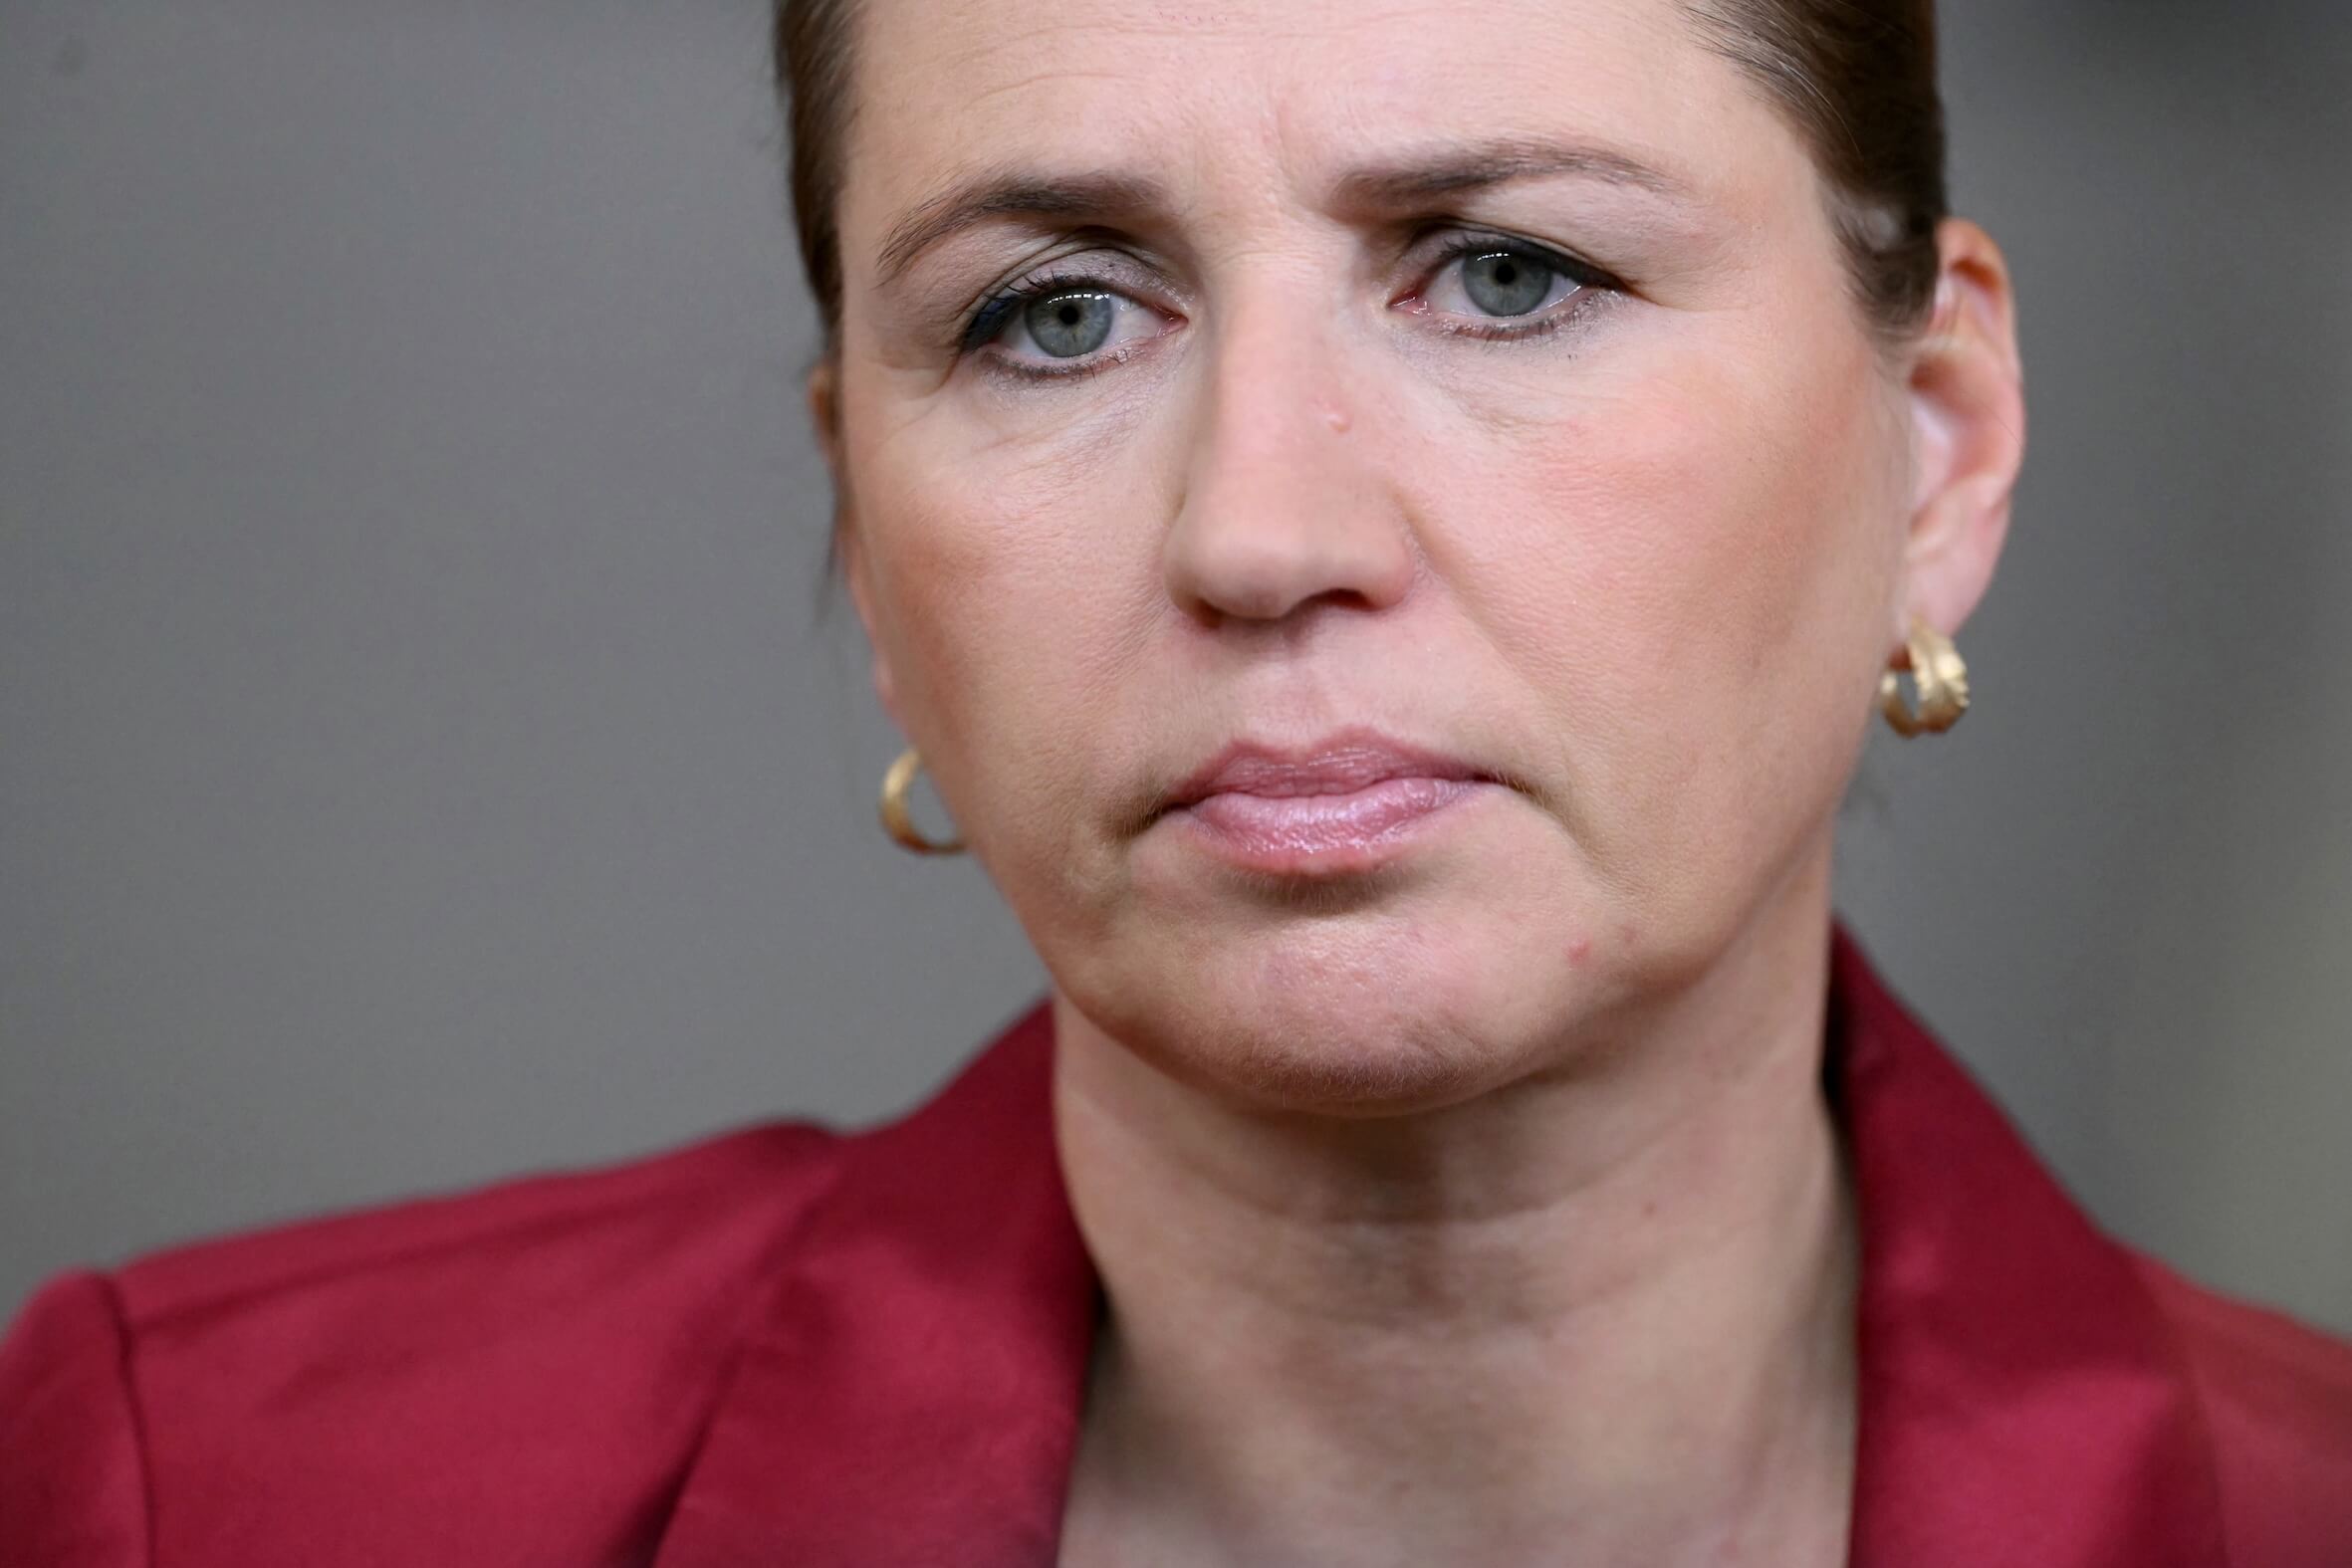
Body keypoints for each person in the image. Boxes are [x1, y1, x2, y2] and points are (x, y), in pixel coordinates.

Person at [5, 0, 2350, 1561]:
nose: (1257, 528)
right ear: (863, 528)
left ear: (1934, 444)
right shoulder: (213, 1493)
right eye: (1054, 315)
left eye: (1505, 274)